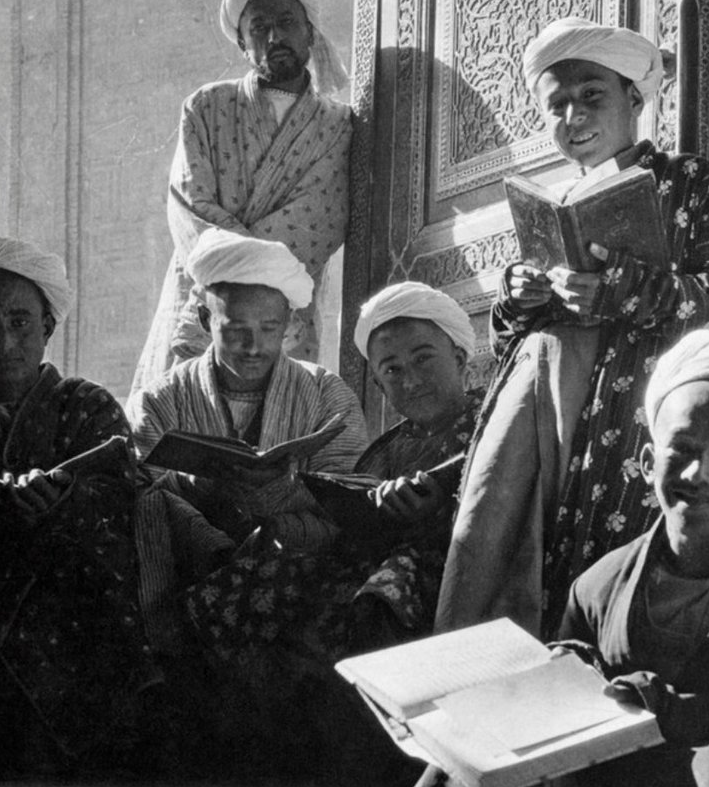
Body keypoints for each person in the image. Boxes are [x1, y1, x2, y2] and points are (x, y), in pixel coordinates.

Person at [394, 329, 709, 787]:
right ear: (646, 463)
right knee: (463, 766)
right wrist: (566, 679)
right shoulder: (598, 586)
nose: (698, 473)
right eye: (680, 449)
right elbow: (566, 697)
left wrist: (668, 708)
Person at [434, 17, 709, 642]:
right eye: (557, 104)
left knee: (608, 585)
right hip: (546, 423)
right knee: (521, 572)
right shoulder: (548, 209)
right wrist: (517, 298)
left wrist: (630, 289)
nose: (573, 116)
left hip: (628, 421)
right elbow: (511, 350)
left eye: (592, 96)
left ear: (635, 100)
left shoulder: (686, 182)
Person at [183, 281, 485, 669]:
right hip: (362, 562)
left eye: (423, 359)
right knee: (243, 583)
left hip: (450, 561)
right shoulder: (387, 449)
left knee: (380, 596)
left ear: (459, 358)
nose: (409, 380)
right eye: (392, 369)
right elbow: (349, 519)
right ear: (378, 383)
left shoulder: (493, 416)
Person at [127, 228, 368, 656]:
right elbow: (139, 502)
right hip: (187, 578)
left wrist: (278, 505)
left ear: (291, 325)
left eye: (269, 328)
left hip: (299, 583)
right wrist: (197, 488)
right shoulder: (160, 400)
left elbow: (353, 506)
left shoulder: (328, 397)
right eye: (236, 329)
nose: (253, 346)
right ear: (205, 321)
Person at [0, 237, 154, 773]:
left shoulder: (88, 405)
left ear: (49, 327)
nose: (4, 340)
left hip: (66, 587)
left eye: (20, 322)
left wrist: (63, 500)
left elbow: (121, 496)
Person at [132, 0, 352, 391]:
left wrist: (246, 288)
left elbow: (319, 218)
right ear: (241, 43)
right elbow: (191, 205)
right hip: (203, 303)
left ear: (310, 31)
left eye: (287, 22)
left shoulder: (338, 125)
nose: (274, 37)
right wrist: (225, 293)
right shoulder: (205, 107)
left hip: (284, 317)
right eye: (259, 27)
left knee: (276, 437)